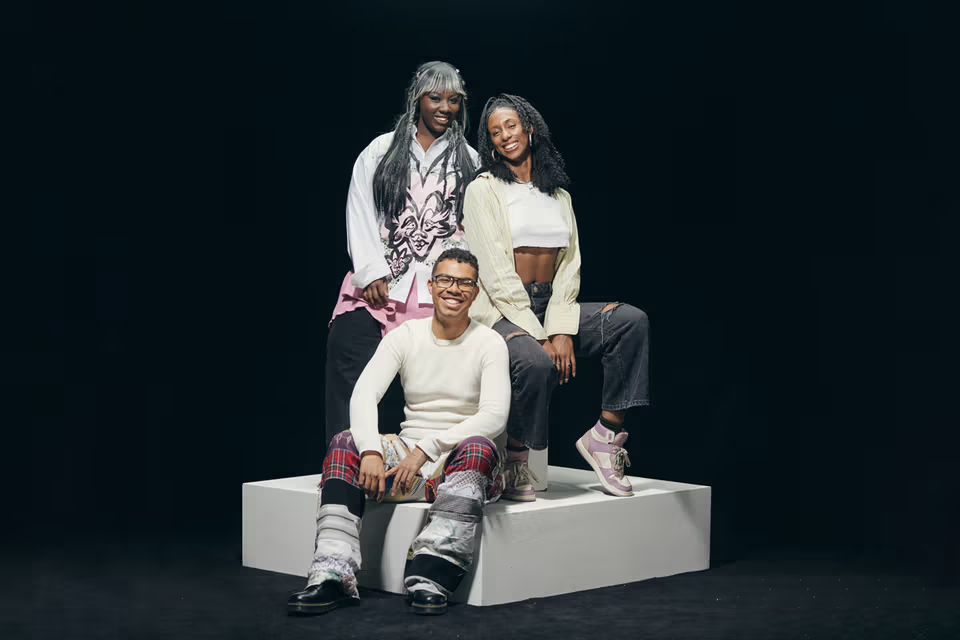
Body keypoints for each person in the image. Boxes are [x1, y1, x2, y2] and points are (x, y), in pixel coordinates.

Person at [288, 249, 510, 617]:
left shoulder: (490, 343)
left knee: (479, 447)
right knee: (346, 442)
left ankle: (430, 578)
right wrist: (372, 452)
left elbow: (494, 416)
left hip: (458, 466)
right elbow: (364, 393)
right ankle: (332, 575)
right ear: (431, 285)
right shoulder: (407, 335)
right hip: (405, 466)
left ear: (476, 291)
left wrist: (426, 449)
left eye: (464, 282)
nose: (454, 289)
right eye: (445, 280)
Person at [463, 94, 650, 502]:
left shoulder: (558, 195)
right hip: (500, 306)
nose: (504, 136)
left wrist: (561, 326)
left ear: (529, 127)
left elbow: (570, 268)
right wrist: (543, 335)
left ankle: (605, 435)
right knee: (534, 361)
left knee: (630, 322)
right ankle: (514, 457)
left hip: (551, 302)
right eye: (495, 132)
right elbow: (494, 273)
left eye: (510, 126)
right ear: (490, 143)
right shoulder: (484, 190)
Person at [325, 61, 480, 445]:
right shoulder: (382, 150)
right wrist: (372, 271)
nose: (445, 107)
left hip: (436, 291)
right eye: (435, 98)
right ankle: (344, 462)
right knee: (347, 350)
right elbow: (359, 207)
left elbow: (475, 230)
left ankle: (433, 464)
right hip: (381, 284)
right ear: (417, 99)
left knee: (441, 381)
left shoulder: (471, 162)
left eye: (454, 100)